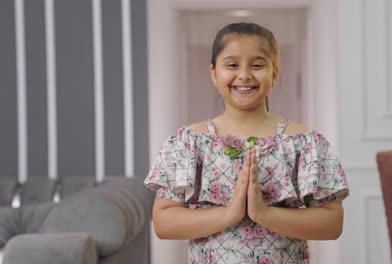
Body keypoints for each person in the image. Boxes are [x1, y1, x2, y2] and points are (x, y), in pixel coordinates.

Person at [144, 22, 349, 263]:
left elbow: (332, 224)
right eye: (232, 65)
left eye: (257, 65)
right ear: (214, 73)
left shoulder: (305, 143)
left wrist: (264, 214)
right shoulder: (187, 143)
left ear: (274, 72)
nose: (244, 75)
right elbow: (163, 223)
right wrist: (230, 214)